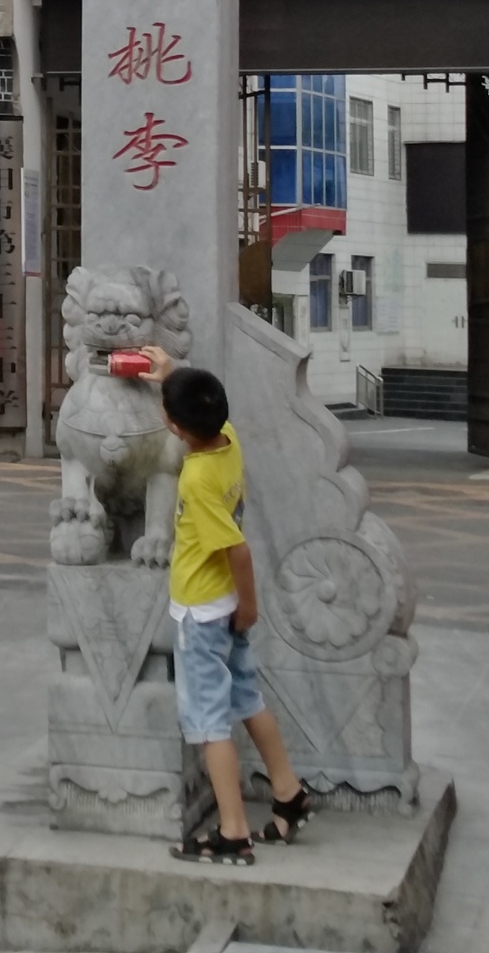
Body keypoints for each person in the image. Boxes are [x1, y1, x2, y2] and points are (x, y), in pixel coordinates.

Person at [140, 343, 314, 865]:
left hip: (201, 611)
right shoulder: (227, 439)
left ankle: (233, 832)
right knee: (246, 698)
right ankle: (288, 792)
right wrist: (171, 374)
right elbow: (201, 409)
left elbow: (237, 549)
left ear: (174, 427)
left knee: (208, 722)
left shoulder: (197, 477)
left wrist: (251, 605)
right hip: (226, 606)